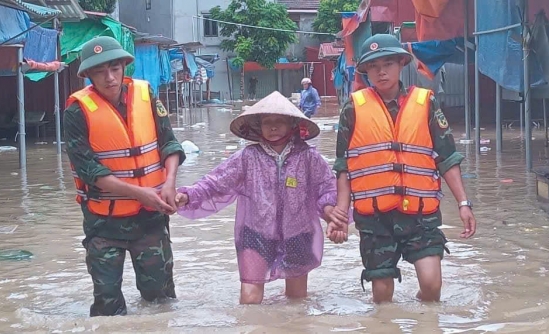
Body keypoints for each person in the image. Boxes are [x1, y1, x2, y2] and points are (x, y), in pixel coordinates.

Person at [326, 34, 477, 304]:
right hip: (374, 218)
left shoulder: (426, 103)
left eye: (387, 63)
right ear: (366, 71)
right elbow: (344, 166)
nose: (381, 71)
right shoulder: (353, 108)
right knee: (382, 297)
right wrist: (340, 213)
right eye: (373, 66)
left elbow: (447, 158)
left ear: (401, 64)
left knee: (432, 288)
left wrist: (463, 203)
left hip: (421, 214)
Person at [174, 91, 345, 304]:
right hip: (255, 234)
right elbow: (215, 183)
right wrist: (187, 195)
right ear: (259, 126)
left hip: (299, 233)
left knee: (297, 301)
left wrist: (331, 213)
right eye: (267, 122)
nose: (272, 127)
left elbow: (327, 189)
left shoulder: (309, 157)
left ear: (292, 125)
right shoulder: (247, 157)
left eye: (279, 122)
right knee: (249, 298)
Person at [63, 36, 186, 316]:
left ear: (124, 67)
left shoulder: (146, 95)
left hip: (150, 219)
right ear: (88, 75)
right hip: (104, 225)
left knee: (161, 301)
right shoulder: (76, 112)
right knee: (108, 307)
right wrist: (141, 193)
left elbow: (170, 144)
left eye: (115, 68)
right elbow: (90, 171)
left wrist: (169, 184)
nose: (109, 77)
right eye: (100, 71)